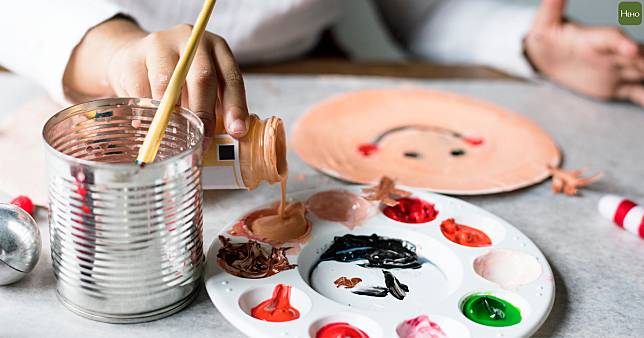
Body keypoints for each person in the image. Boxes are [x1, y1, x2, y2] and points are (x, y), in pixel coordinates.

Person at [0, 0, 642, 142]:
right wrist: (116, 48)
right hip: (76, 64)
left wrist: (525, 46)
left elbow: (421, 14)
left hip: (300, 75)